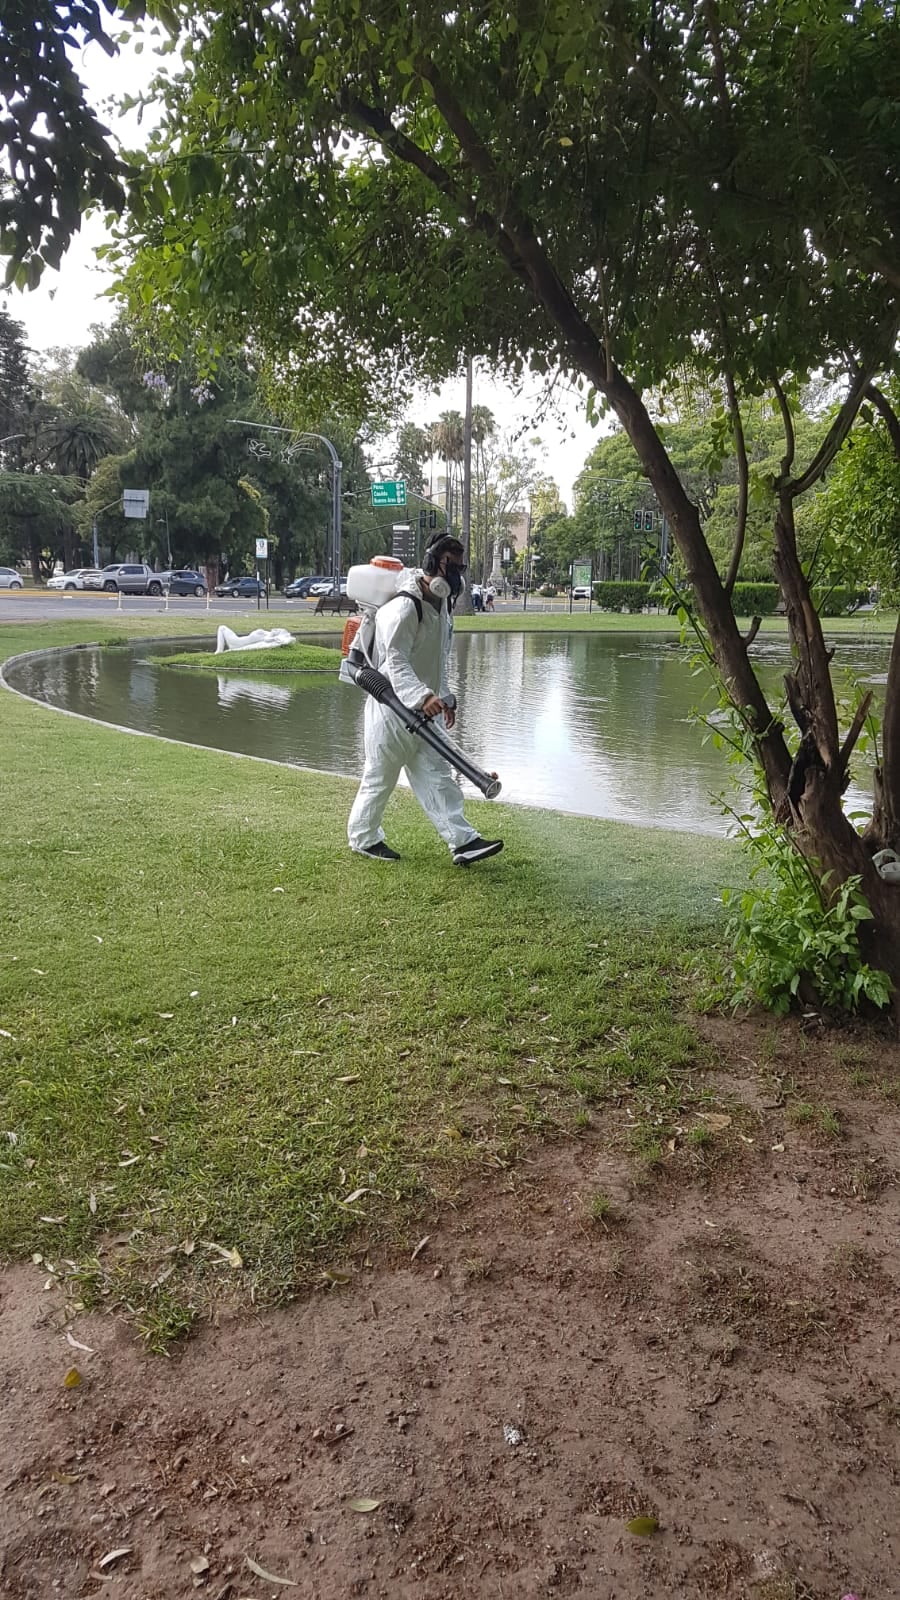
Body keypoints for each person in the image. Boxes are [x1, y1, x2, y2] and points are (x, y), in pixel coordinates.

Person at [347, 533, 504, 866]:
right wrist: (422, 695)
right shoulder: (405, 606)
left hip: (423, 713)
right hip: (390, 711)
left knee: (438, 776)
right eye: (453, 566)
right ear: (435, 563)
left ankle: (463, 842)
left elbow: (437, 658)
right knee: (380, 778)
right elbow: (394, 660)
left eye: (461, 567)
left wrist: (444, 698)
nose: (457, 575)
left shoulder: (441, 606)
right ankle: (364, 838)